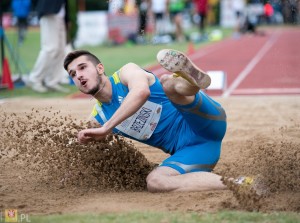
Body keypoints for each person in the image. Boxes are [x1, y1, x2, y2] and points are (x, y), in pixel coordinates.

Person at [63, 48, 228, 192]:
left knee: (167, 83)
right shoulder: (97, 118)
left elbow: (141, 92)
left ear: (100, 68)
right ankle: (242, 184)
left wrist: (107, 128)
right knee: (155, 182)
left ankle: (192, 82)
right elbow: (80, 149)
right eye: (73, 74)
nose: (79, 76)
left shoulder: (126, 73)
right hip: (195, 152)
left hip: (206, 121)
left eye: (83, 68)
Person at [26, 0, 69, 93]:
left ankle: (52, 81)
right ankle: (34, 79)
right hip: (49, 10)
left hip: (60, 12)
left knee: (61, 50)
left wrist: (67, 19)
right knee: (50, 48)